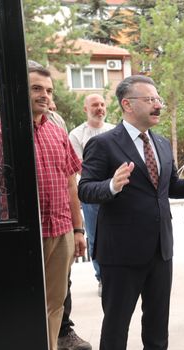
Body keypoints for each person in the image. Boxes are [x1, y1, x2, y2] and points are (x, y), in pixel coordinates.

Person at [78, 75, 184, 350]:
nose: (158, 104)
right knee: (117, 318)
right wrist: (110, 186)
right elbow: (85, 189)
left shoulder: (159, 143)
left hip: (160, 246)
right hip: (121, 252)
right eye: (150, 99)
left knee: (158, 314)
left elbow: (169, 186)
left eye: (158, 99)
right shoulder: (103, 144)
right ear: (127, 104)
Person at [0, 63, 87, 350]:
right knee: (20, 303)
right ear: (19, 91)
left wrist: (78, 229)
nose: (44, 95)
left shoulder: (57, 131)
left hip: (61, 229)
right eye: (36, 88)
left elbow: (70, 183)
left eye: (48, 90)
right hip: (23, 234)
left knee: (55, 302)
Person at [68, 93, 115, 293]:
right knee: (96, 237)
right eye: (95, 105)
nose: (100, 108)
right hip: (92, 195)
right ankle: (102, 278)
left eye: (102, 104)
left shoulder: (114, 130)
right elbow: (80, 167)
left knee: (118, 234)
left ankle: (118, 275)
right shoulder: (77, 135)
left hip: (116, 191)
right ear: (85, 109)